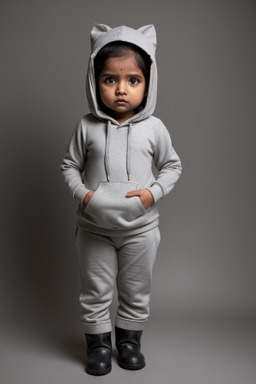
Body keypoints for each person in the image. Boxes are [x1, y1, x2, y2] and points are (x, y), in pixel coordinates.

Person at [61, 23, 182, 376]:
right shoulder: (86, 126)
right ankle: (98, 345)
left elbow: (172, 166)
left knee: (135, 289)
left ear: (148, 83)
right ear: (94, 82)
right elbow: (69, 165)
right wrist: (84, 195)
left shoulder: (155, 128)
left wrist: (152, 193)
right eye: (110, 80)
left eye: (133, 80)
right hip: (94, 229)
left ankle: (128, 343)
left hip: (141, 230)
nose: (121, 90)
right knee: (95, 290)